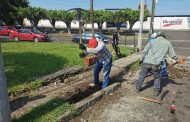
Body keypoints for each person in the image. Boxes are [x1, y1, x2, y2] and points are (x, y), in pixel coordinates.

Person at [135, 32, 179, 96]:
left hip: (146, 62)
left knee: (142, 75)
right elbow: (172, 54)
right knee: (157, 77)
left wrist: (141, 60)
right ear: (164, 36)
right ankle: (156, 92)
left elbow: (145, 51)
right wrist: (177, 60)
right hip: (156, 64)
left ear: (157, 36)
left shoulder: (152, 41)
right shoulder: (167, 43)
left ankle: (137, 88)